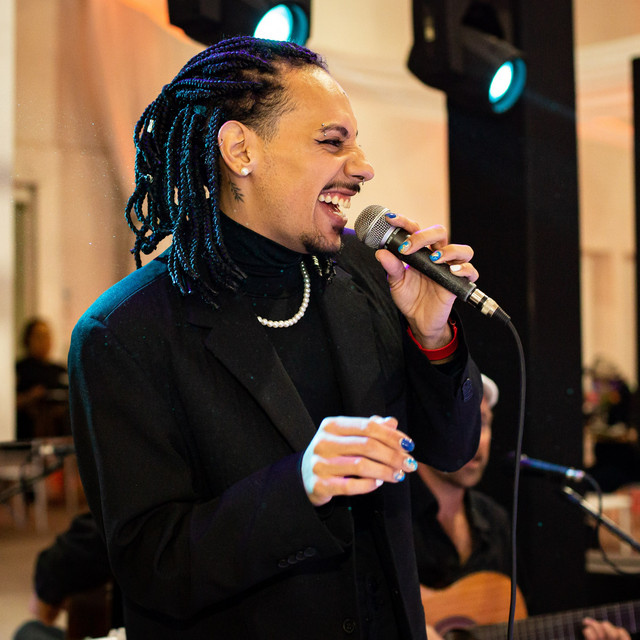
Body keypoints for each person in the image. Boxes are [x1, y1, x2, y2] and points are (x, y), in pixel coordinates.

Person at [68, 36, 483, 639]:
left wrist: (433, 333)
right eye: (332, 142)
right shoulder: (125, 332)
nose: (363, 167)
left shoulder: (370, 276)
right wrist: (299, 486)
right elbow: (151, 565)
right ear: (241, 149)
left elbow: (451, 451)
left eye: (357, 143)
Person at [411, 374, 632, 640]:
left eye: (483, 422)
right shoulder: (389, 521)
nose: (475, 437)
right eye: (461, 419)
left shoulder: (495, 521)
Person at [16, 318, 69, 441]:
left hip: (60, 437)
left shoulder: (60, 370)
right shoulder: (19, 369)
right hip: (27, 438)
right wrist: (30, 397)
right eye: (39, 336)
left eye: (47, 336)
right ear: (27, 339)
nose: (44, 341)